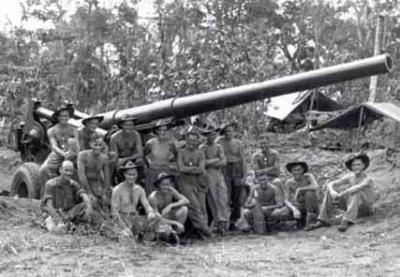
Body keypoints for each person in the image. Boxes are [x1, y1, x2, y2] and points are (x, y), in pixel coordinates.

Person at [307, 153, 377, 232]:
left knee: (355, 192)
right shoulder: (350, 176)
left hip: (365, 207)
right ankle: (323, 220)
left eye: (358, 165)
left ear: (363, 166)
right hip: (353, 207)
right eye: (353, 165)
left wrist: (341, 194)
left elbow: (357, 187)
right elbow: (331, 183)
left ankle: (347, 221)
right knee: (330, 192)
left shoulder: (368, 178)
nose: (356, 167)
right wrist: (332, 191)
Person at [177, 128, 211, 238]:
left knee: (202, 207)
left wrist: (190, 169)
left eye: (194, 141)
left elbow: (202, 169)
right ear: (186, 140)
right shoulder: (181, 152)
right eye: (190, 141)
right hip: (185, 182)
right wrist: (194, 168)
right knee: (194, 207)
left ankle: (202, 230)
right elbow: (181, 168)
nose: (192, 144)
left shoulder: (200, 153)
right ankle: (205, 231)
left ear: (197, 142)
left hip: (199, 182)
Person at [41, 160, 93, 233]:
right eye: (66, 170)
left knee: (87, 204)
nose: (68, 173)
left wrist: (89, 206)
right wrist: (58, 220)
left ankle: (78, 225)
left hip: (68, 214)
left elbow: (83, 194)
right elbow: (49, 205)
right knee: (55, 230)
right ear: (60, 170)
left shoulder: (74, 184)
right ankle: (67, 226)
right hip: (54, 213)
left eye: (71, 171)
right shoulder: (50, 184)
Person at [111, 161, 157, 240]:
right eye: (129, 174)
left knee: (153, 229)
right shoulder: (117, 190)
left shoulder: (139, 189)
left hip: (135, 218)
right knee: (126, 237)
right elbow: (114, 212)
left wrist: (150, 212)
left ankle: (140, 234)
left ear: (137, 175)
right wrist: (123, 227)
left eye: (134, 174)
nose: (132, 177)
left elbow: (147, 205)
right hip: (122, 219)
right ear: (124, 174)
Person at [200, 123, 230, 234]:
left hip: (219, 175)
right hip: (208, 175)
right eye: (209, 135)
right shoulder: (202, 148)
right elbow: (203, 163)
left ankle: (225, 221)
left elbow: (224, 162)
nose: (212, 137)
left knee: (223, 197)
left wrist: (212, 162)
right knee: (213, 198)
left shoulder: (218, 147)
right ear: (206, 136)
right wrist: (215, 160)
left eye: (213, 135)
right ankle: (218, 222)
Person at [216, 123, 247, 230]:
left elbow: (243, 159)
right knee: (225, 196)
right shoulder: (219, 142)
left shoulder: (238, 143)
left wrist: (244, 175)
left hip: (236, 169)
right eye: (226, 131)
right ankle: (224, 221)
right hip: (225, 169)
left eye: (230, 131)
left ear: (234, 132)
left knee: (237, 196)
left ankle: (234, 221)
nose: (228, 133)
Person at [39, 106, 76, 193]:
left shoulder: (73, 130)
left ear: (69, 117)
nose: (64, 118)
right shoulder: (52, 130)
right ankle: (46, 193)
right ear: (58, 117)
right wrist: (62, 153)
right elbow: (54, 146)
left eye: (66, 116)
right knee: (43, 170)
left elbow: (77, 145)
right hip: (56, 154)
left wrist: (71, 153)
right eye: (62, 116)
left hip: (70, 154)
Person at [148, 172, 189, 236]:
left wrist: (171, 205)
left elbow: (186, 200)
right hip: (158, 221)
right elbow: (157, 217)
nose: (165, 187)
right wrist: (175, 223)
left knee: (184, 209)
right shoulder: (153, 197)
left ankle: (177, 234)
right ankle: (169, 235)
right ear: (158, 185)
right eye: (163, 185)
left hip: (168, 217)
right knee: (167, 230)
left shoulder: (171, 190)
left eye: (167, 184)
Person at [144, 119, 178, 194]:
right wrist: (149, 166)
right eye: (160, 130)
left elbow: (176, 156)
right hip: (153, 171)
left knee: (168, 193)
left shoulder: (171, 143)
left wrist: (172, 166)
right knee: (153, 193)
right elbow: (145, 156)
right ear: (156, 131)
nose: (163, 132)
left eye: (165, 130)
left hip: (166, 170)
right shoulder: (150, 143)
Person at [77, 136, 111, 211]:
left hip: (96, 182)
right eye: (95, 145)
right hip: (84, 183)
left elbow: (107, 177)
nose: (98, 147)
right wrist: (89, 192)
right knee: (90, 202)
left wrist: (105, 191)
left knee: (105, 202)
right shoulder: (83, 155)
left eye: (100, 145)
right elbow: (81, 175)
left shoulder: (104, 158)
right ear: (90, 144)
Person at [283, 161, 319, 229]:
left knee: (309, 193)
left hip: (311, 207)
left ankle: (311, 221)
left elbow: (315, 186)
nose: (296, 172)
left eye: (299, 170)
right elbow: (286, 200)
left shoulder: (308, 177)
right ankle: (297, 222)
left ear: (303, 170)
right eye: (294, 170)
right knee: (279, 213)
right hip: (299, 206)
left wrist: (299, 189)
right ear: (291, 171)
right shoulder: (289, 182)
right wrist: (294, 209)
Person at [109, 115, 144, 185]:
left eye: (131, 125)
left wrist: (126, 159)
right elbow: (114, 155)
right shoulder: (114, 137)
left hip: (132, 158)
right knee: (113, 163)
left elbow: (140, 153)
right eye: (126, 125)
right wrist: (120, 161)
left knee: (140, 161)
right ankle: (112, 182)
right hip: (119, 159)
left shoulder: (136, 135)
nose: (129, 127)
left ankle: (140, 181)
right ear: (121, 125)